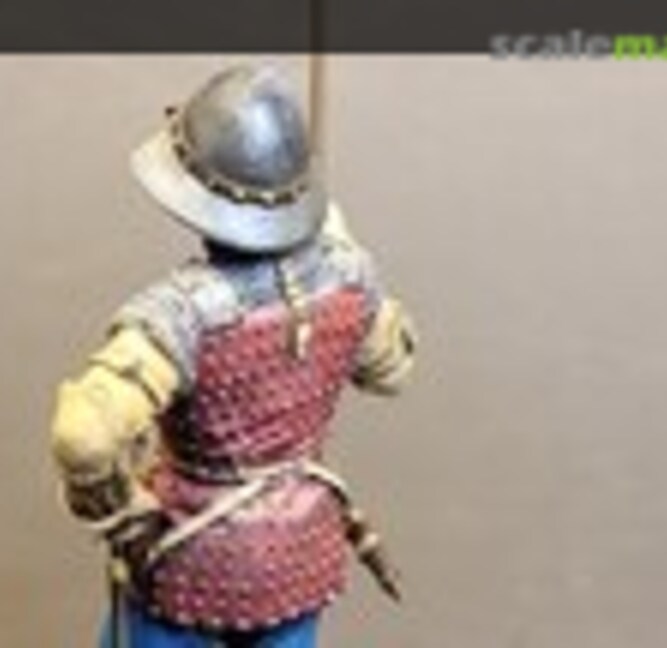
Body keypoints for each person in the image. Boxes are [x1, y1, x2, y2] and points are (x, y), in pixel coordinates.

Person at [50, 64, 416, 648]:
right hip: (298, 558)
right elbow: (390, 367)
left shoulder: (182, 314)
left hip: (191, 565)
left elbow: (84, 435)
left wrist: (125, 516)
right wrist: (340, 258)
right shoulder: (349, 279)